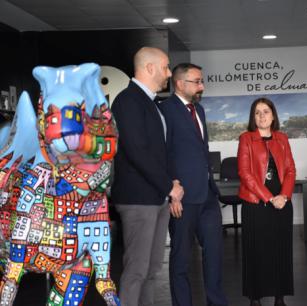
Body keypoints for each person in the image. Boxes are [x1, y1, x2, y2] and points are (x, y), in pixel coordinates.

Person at [110, 47, 184, 306]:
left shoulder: (151, 103)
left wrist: (171, 184)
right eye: (165, 67)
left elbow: (159, 152)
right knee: (137, 271)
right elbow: (136, 151)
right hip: (138, 200)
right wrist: (169, 186)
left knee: (151, 271)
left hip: (156, 197)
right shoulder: (127, 101)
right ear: (149, 68)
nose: (168, 74)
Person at [160, 63, 228, 306]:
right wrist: (171, 190)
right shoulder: (164, 110)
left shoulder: (199, 110)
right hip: (182, 198)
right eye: (197, 81)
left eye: (202, 81)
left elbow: (201, 150)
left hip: (208, 195)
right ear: (180, 84)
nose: (202, 86)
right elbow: (161, 154)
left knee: (214, 257)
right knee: (180, 262)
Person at [237, 98, 296, 306]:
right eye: (257, 113)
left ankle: (279, 297)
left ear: (273, 115)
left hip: (281, 202)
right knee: (256, 251)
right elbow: (245, 174)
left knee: (280, 250)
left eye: (266, 112)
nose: (262, 116)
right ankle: (255, 297)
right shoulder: (246, 138)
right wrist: (270, 198)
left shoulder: (282, 138)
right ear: (253, 117)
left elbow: (290, 170)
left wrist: (284, 196)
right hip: (256, 203)